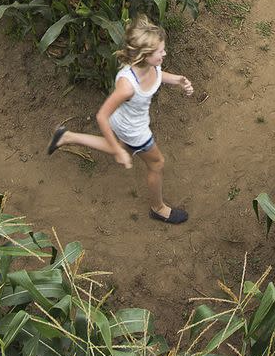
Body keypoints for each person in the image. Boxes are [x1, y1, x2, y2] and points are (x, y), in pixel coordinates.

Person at [47, 14, 193, 224]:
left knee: (125, 149)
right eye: (160, 51)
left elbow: (158, 74)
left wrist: (178, 80)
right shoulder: (127, 85)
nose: (164, 53)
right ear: (145, 55)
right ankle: (158, 208)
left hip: (125, 120)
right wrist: (117, 152)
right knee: (157, 163)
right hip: (134, 130)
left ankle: (66, 136)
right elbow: (101, 116)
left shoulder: (149, 65)